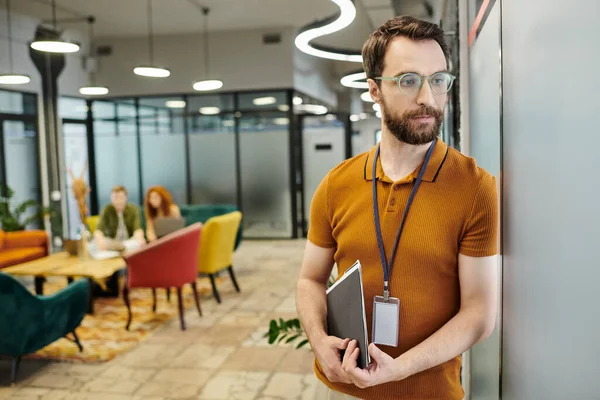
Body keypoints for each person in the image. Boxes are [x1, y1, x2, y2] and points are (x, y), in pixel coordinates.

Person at [296, 16, 498, 400]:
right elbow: (309, 280)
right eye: (408, 81)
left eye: (438, 80)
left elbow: (478, 315)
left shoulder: (475, 188)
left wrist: (398, 369)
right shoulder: (337, 184)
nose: (427, 97)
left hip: (431, 392)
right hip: (341, 388)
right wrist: (319, 341)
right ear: (374, 89)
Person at [94, 185, 146, 251]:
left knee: (140, 242)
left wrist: (139, 238)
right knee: (96, 243)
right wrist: (100, 240)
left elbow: (138, 229)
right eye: (115, 198)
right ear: (111, 198)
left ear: (126, 197)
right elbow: (98, 230)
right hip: (112, 242)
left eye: (121, 197)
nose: (118, 201)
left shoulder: (133, 209)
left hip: (128, 242)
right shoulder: (106, 209)